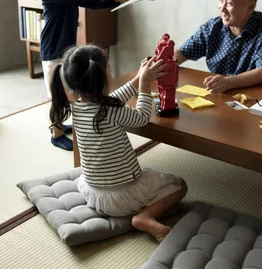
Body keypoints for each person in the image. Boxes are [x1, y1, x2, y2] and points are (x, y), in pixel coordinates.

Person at [49, 44, 188, 241]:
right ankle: (144, 217)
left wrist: (137, 79)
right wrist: (145, 86)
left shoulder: (77, 107)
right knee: (179, 185)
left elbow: (110, 100)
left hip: (93, 193)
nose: (111, 72)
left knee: (93, 176)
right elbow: (140, 117)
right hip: (123, 197)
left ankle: (137, 211)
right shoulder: (112, 111)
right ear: (102, 79)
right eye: (109, 69)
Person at [33, 0, 134, 151]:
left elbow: (88, 1)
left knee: (69, 89)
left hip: (67, 46)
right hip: (53, 47)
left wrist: (116, 0)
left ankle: (60, 124)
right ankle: (56, 131)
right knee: (57, 93)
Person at [174, 0, 262, 93]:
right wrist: (162, 63)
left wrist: (228, 82)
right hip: (218, 93)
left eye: (229, 3)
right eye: (221, 0)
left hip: (252, 96)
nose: (222, 8)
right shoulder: (213, 27)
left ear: (251, 6)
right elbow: (182, 53)